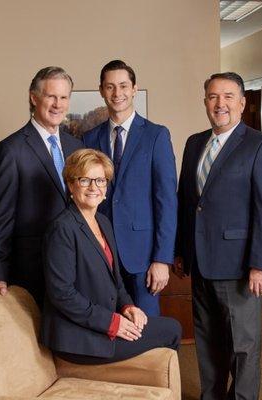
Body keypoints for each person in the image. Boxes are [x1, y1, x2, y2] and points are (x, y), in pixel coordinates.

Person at [174, 72, 262, 400]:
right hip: (200, 263)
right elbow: (187, 202)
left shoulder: (260, 145)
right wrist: (182, 250)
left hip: (239, 268)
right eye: (212, 96)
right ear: (205, 101)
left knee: (243, 348)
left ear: (242, 102)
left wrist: (261, 264)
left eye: (228, 96)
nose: (220, 104)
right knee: (208, 344)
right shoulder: (194, 143)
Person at [41, 149, 181, 364]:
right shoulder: (62, 228)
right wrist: (111, 323)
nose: (93, 187)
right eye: (85, 180)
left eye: (100, 180)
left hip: (99, 324)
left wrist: (128, 307)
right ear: (71, 184)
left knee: (165, 326)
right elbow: (62, 295)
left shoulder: (103, 222)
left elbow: (116, 282)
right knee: (171, 330)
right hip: (77, 337)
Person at [0, 66, 83, 307]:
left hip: (74, 267)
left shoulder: (76, 146)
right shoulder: (10, 150)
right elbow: (0, 220)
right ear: (34, 98)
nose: (58, 104)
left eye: (64, 97)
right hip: (32, 271)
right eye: (51, 96)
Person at [83, 60, 177, 316]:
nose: (117, 93)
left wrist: (161, 259)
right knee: (107, 325)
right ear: (101, 90)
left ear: (134, 89)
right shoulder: (90, 138)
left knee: (146, 327)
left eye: (123, 86)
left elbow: (167, 201)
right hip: (101, 252)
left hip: (142, 255)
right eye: (110, 87)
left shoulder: (156, 135)